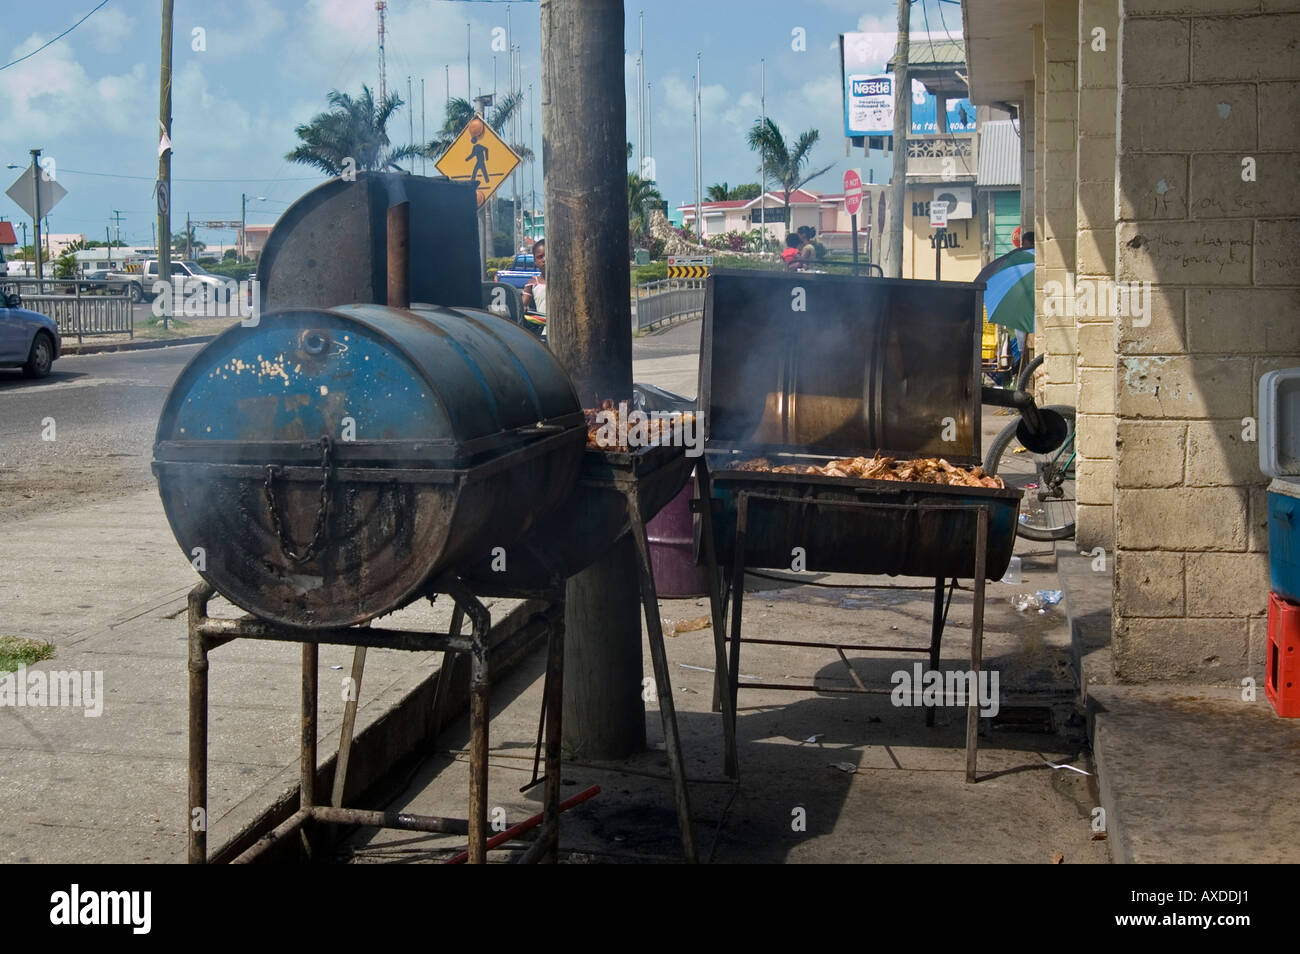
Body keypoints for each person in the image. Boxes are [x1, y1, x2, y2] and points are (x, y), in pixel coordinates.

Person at [522, 239, 546, 314]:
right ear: (535, 261)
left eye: (547, 255)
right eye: (540, 257)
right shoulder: (533, 283)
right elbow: (522, 307)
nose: (544, 259)